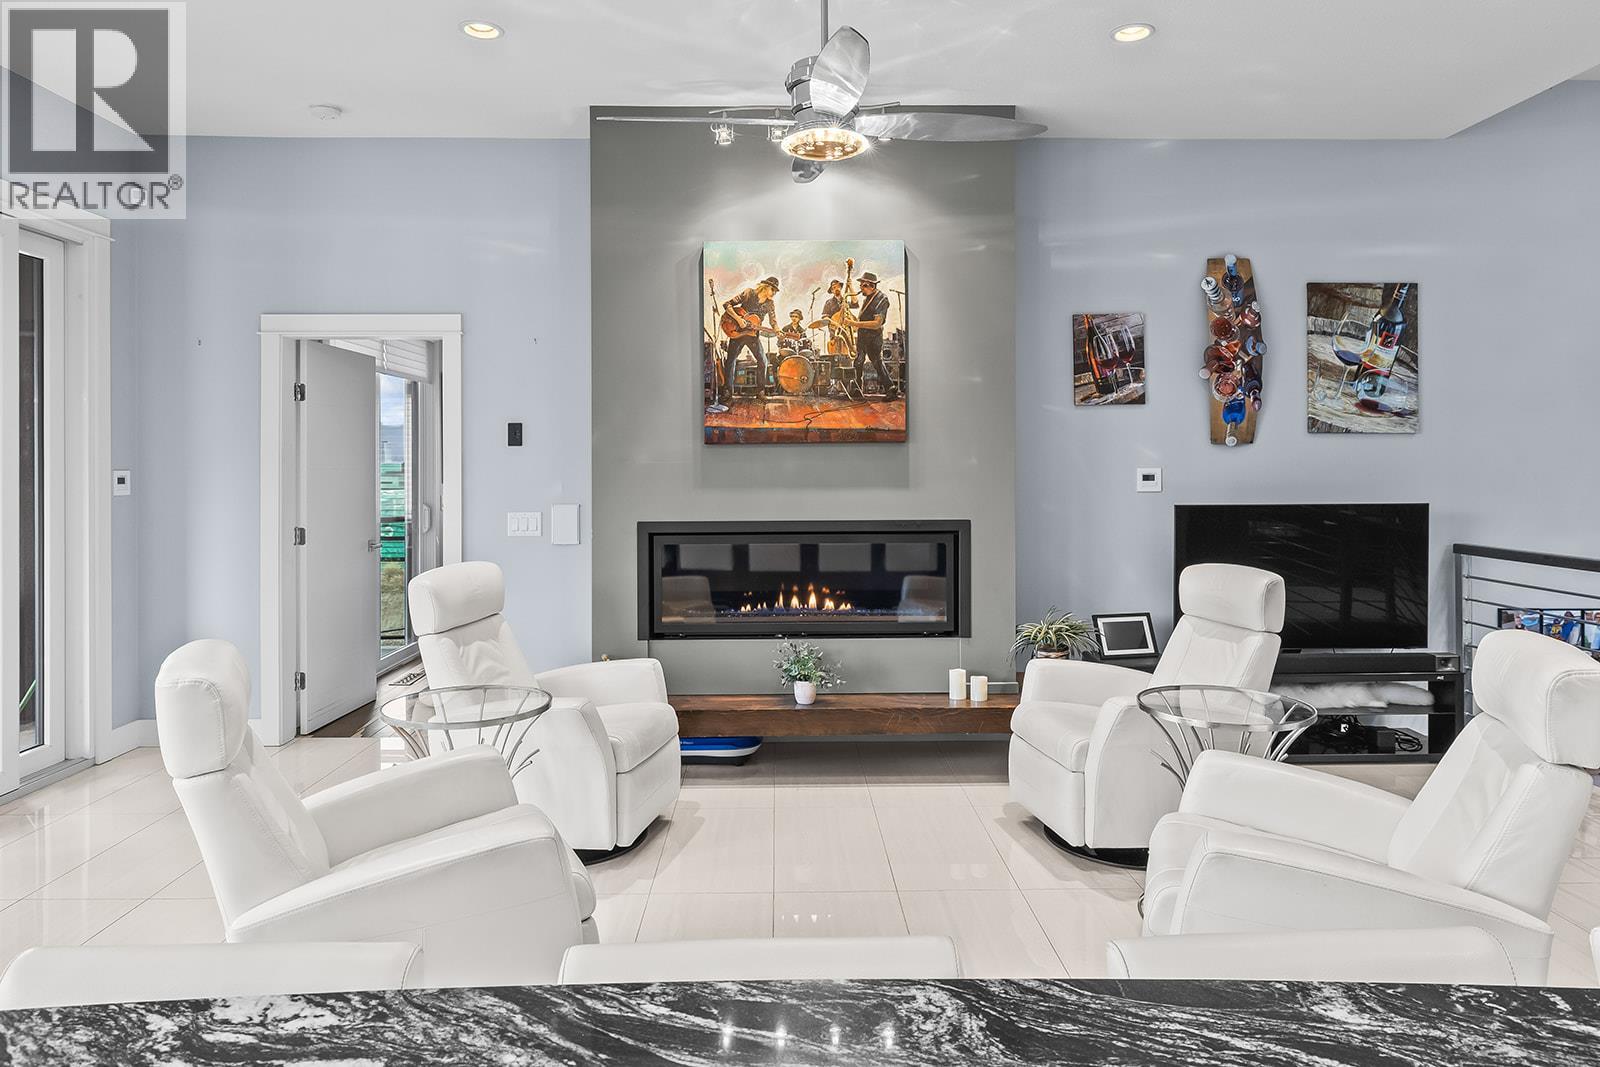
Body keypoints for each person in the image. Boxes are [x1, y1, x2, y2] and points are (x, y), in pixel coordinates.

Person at [720, 276, 779, 402]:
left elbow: (773, 321)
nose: (774, 293)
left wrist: (778, 330)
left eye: (775, 291)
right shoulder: (749, 293)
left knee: (763, 361)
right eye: (773, 289)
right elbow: (727, 304)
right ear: (766, 287)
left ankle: (760, 392)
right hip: (737, 332)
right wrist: (739, 320)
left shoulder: (770, 304)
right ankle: (727, 391)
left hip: (752, 335)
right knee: (731, 360)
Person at [845, 272, 899, 401]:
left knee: (877, 362)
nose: (861, 288)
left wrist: (854, 324)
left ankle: (891, 389)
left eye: (863, 286)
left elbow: (877, 323)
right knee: (858, 361)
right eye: (860, 285)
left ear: (872, 286)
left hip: (874, 337)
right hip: (863, 336)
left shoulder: (882, 299)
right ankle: (857, 389)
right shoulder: (868, 298)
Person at [821, 278, 856, 355]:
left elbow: (855, 303)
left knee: (849, 354)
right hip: (835, 333)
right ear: (832, 291)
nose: (836, 289)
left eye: (838, 287)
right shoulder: (829, 303)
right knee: (836, 355)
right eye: (834, 288)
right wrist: (835, 323)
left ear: (840, 288)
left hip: (847, 332)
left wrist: (850, 287)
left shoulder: (845, 300)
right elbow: (824, 317)